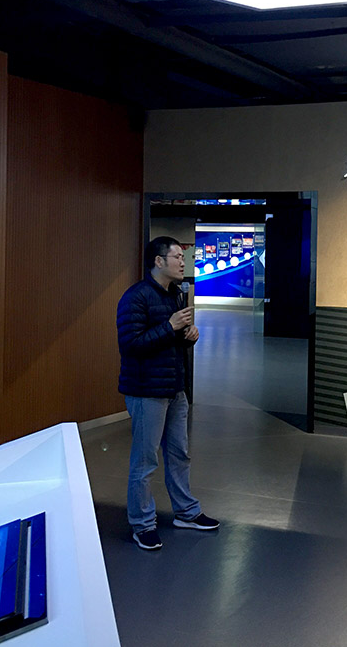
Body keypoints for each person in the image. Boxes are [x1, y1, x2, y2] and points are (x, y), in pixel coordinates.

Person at [117, 236, 219, 550]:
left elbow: (171, 340)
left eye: (183, 258)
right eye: (177, 257)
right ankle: (142, 524)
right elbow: (130, 344)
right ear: (158, 261)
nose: (182, 263)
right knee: (145, 461)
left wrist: (188, 336)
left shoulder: (175, 294)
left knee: (179, 454)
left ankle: (186, 512)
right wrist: (171, 327)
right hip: (146, 391)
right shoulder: (135, 297)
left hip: (175, 388)